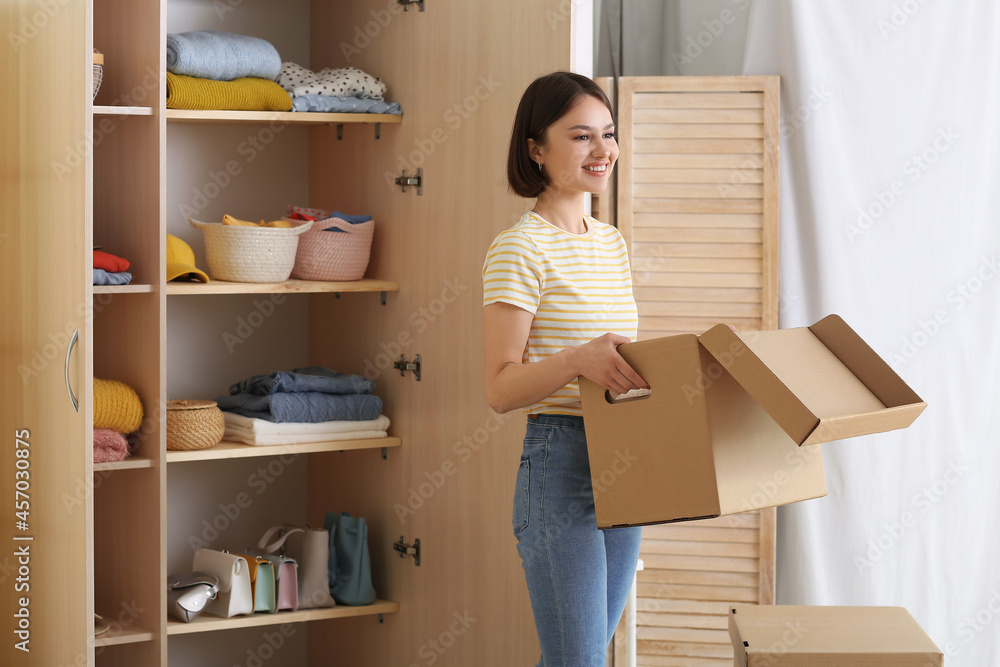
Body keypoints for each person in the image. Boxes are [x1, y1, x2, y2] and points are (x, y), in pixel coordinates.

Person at [482, 71, 648, 666]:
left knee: (581, 660)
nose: (602, 151)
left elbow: (621, 363)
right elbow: (499, 388)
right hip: (562, 461)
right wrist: (577, 361)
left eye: (608, 134)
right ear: (536, 149)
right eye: (581, 137)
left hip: (625, 460)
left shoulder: (611, 243)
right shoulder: (519, 247)